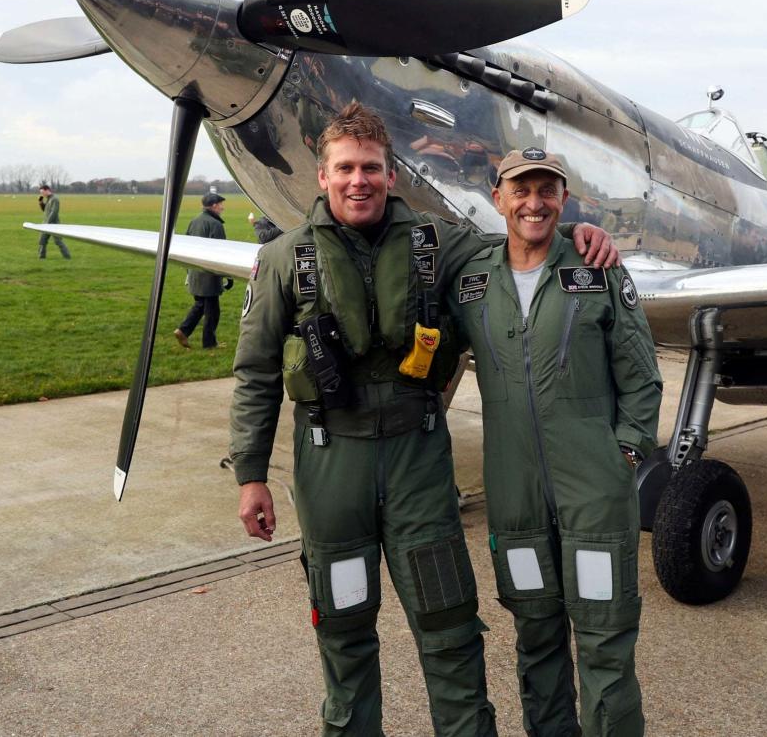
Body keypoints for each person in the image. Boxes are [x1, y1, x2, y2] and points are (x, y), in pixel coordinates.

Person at [227, 102, 619, 736]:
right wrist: (250, 474)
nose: (360, 180)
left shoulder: (437, 243)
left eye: (373, 168)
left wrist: (579, 235)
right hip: (332, 467)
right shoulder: (282, 260)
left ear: (391, 174)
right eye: (346, 168)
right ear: (322, 177)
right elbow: (256, 374)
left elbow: (516, 243)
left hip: (418, 463)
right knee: (345, 626)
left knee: (449, 628)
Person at [448, 149, 661, 736]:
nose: (533, 202)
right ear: (498, 198)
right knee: (536, 638)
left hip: (594, 490)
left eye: (547, 190)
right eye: (520, 190)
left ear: (563, 199)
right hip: (515, 499)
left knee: (604, 643)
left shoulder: (598, 268)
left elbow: (642, 376)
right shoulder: (471, 283)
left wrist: (626, 454)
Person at [173, 193, 230, 349]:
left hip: (195, 272)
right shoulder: (215, 224)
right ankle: (209, 344)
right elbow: (221, 252)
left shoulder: (194, 221)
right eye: (220, 204)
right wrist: (227, 275)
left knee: (200, 306)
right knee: (213, 312)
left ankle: (183, 331)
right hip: (209, 275)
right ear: (213, 206)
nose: (222, 207)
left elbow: (186, 246)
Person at [36, 184, 71, 259]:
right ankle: (41, 258)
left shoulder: (55, 199)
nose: (41, 194)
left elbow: (54, 212)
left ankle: (67, 257)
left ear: (47, 190)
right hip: (46, 224)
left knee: (58, 242)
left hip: (54, 225)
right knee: (42, 241)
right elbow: (45, 210)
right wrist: (41, 203)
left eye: (42, 192)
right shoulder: (48, 199)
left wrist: (47, 224)